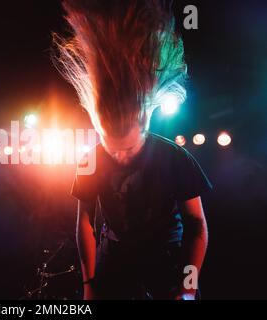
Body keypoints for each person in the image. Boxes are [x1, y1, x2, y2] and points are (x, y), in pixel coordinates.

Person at [53, 0, 212, 300]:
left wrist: (189, 286)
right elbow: (85, 222)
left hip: (169, 260)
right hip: (116, 261)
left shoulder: (175, 159)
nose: (121, 157)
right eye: (113, 150)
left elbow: (197, 224)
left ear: (145, 126)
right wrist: (89, 286)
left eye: (128, 149)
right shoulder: (91, 159)